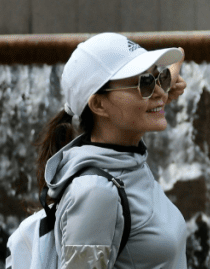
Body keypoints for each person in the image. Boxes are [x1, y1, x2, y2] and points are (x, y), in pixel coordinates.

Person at [35, 32, 189, 268]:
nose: (159, 92)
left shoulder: (126, 159)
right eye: (144, 83)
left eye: (160, 78)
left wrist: (157, 92)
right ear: (99, 104)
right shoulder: (95, 193)